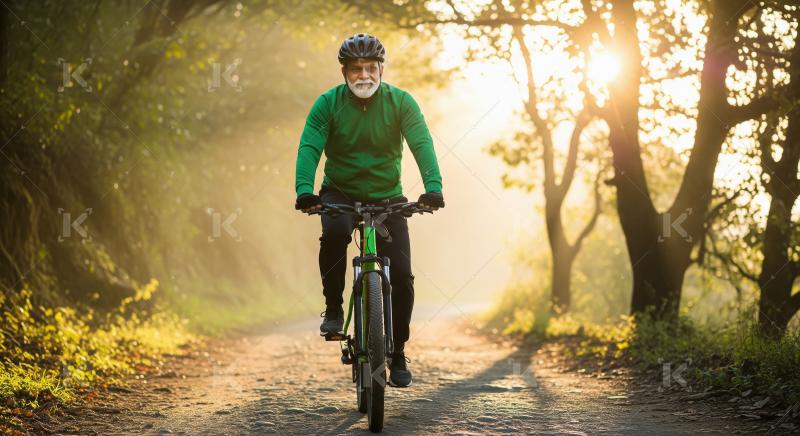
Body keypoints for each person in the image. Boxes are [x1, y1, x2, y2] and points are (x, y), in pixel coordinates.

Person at [293, 33, 444, 388]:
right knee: (333, 233)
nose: (365, 75)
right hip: (339, 193)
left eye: (371, 68)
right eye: (356, 69)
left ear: (381, 69)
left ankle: (397, 352)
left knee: (403, 276)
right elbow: (310, 146)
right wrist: (304, 190)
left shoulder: (401, 102)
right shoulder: (327, 104)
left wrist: (432, 187)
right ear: (344, 72)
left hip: (388, 198)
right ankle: (333, 307)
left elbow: (421, 142)